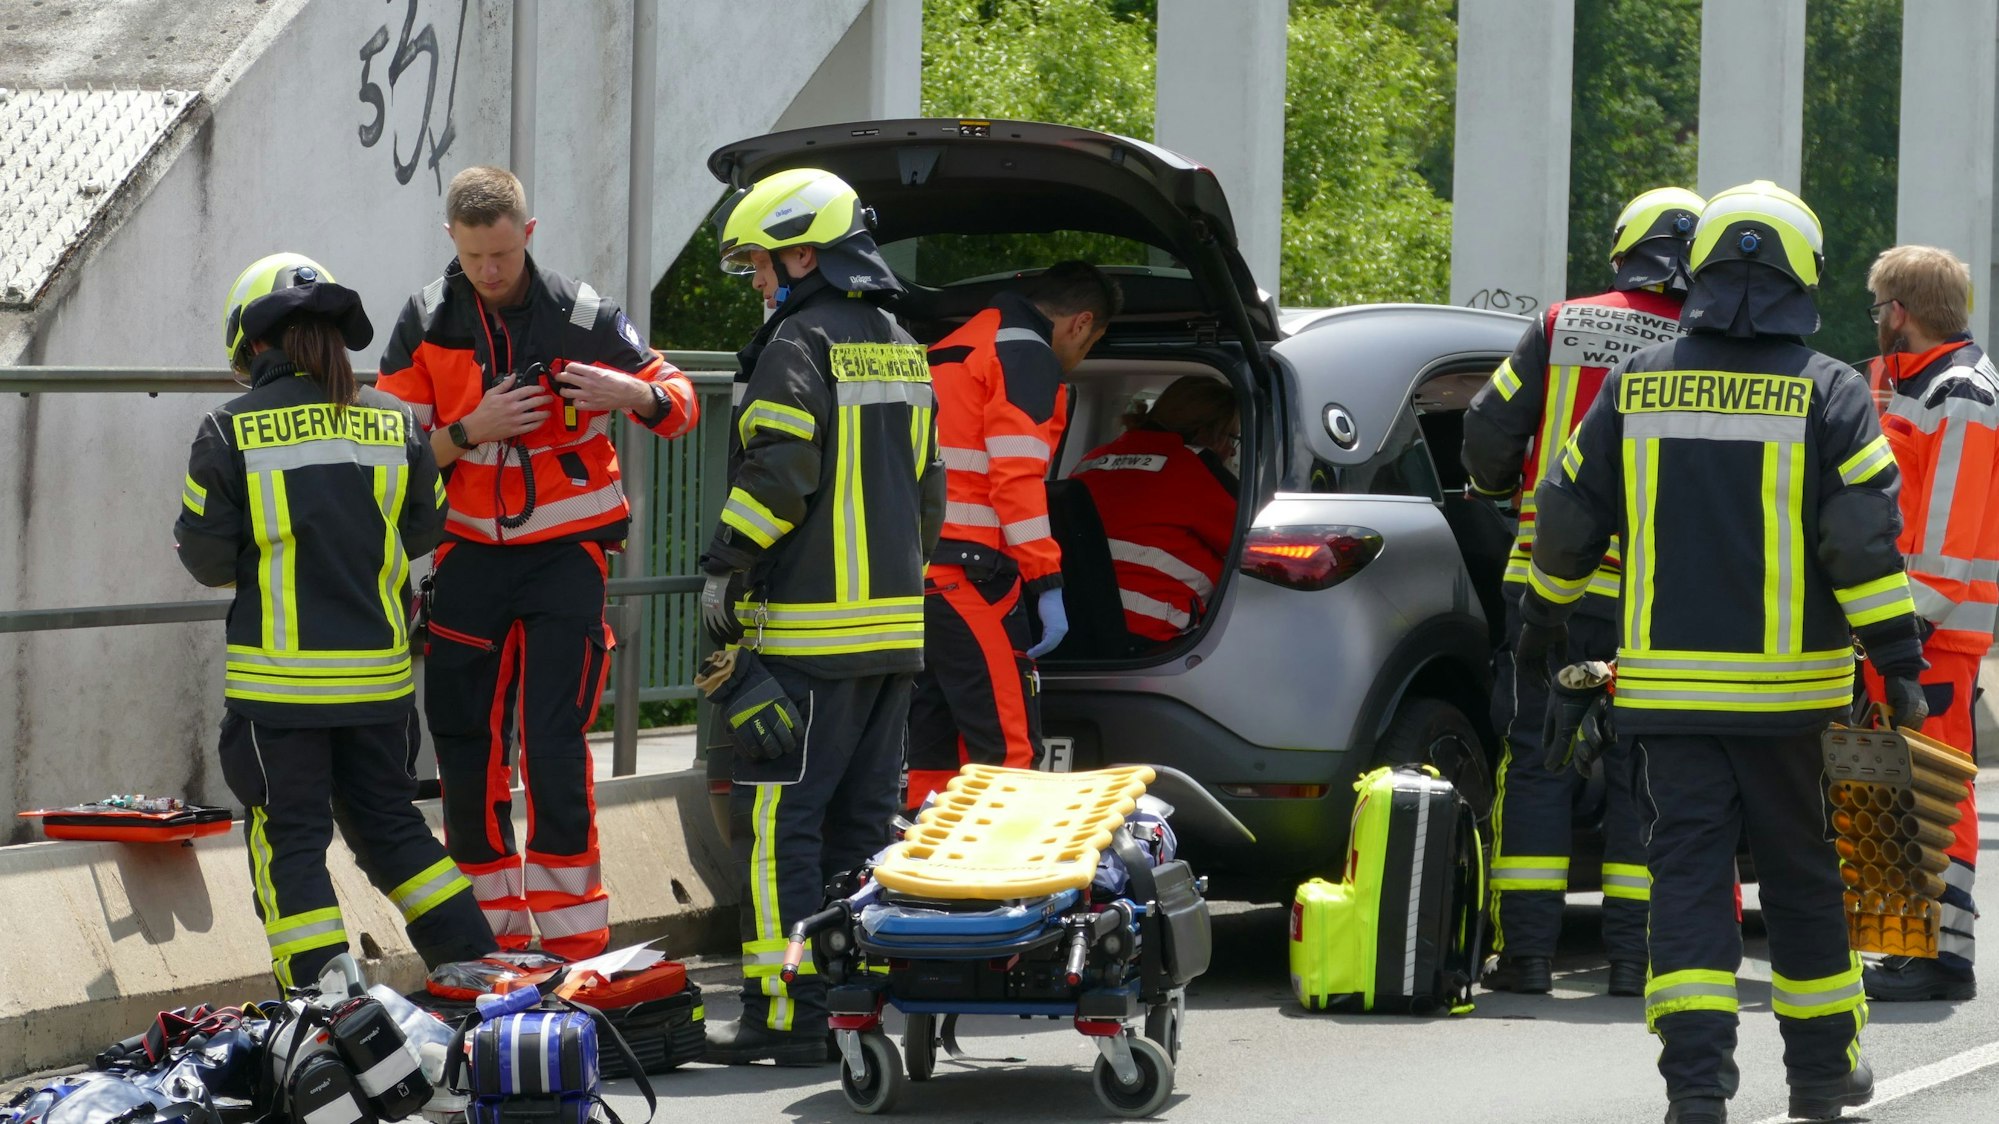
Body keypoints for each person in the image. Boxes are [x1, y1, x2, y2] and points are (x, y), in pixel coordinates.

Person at [1523, 181, 1927, 1124]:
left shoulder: (1635, 383)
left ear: (1700, 271)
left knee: (1688, 884)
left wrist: (1543, 622)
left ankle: (1696, 1090)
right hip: (1794, 704)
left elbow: (1567, 520)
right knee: (1802, 880)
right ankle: (1821, 1076)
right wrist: (1898, 660)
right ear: (1803, 275)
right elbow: (1859, 546)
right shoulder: (1830, 390)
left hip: (1668, 702)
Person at [376, 166, 699, 961]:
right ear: (450, 239)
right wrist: (470, 428)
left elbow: (680, 402)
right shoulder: (424, 320)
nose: (490, 271)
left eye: (503, 254)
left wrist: (631, 395)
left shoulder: (582, 314)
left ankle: (575, 944)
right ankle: (485, 942)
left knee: (555, 745)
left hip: (565, 557)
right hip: (467, 559)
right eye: (474, 256)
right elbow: (393, 457)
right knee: (465, 746)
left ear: (528, 233)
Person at [175, 253, 496, 989]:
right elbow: (424, 529)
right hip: (379, 686)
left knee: (290, 841)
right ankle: (476, 970)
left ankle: (325, 1009)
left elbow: (205, 558)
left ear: (252, 343)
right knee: (392, 826)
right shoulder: (394, 420)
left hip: (280, 693)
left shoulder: (228, 429)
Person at [696, 167, 944, 1065]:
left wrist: (725, 566)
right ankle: (849, 1000)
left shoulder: (796, 343)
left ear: (805, 255)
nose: (756, 282)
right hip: (892, 638)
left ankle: (786, 1009)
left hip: (805, 637)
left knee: (778, 829)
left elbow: (779, 472)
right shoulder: (904, 347)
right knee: (863, 832)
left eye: (761, 264)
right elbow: (930, 493)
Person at [1461, 186, 1704, 998]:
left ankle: (1526, 956)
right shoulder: (1711, 346)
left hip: (1551, 588)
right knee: (1643, 768)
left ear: (1623, 251)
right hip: (1659, 599)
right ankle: (1633, 961)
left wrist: (1491, 487)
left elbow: (1487, 428)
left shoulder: (1559, 324)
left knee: (1538, 759)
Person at [905, 262, 1123, 805]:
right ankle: (999, 859)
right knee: (1008, 751)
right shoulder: (1025, 353)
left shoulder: (954, 345)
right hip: (971, 579)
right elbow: (1016, 477)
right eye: (1091, 343)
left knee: (932, 745)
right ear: (1081, 323)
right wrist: (1046, 579)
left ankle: (925, 848)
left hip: (917, 575)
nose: (1082, 354)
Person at [1857, 244, 1999, 1002]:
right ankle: (1910, 947)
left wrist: (1905, 628)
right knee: (1896, 785)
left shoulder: (1961, 390)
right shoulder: (1907, 381)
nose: (1876, 320)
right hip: (1903, 627)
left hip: (1930, 632)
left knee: (1932, 787)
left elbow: (1946, 535)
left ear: (1900, 311)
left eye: (1879, 306)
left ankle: (1941, 959)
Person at [1069, 375, 1238, 650]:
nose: (1232, 451)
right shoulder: (1194, 468)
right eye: (1232, 438)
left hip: (1072, 623)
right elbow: (1247, 541)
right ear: (1209, 433)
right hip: (1144, 632)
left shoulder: (1092, 459)